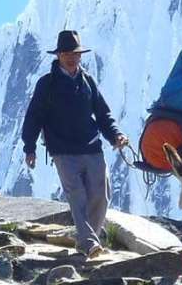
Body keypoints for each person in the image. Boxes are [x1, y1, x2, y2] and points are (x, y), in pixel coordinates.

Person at [21, 30, 129, 258]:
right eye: (66, 53)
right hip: (62, 151)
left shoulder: (88, 81)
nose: (71, 58)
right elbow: (34, 117)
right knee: (77, 196)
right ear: (58, 55)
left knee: (101, 195)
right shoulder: (47, 84)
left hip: (92, 147)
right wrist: (29, 147)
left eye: (75, 53)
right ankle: (90, 243)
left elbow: (103, 114)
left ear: (80, 56)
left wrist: (116, 135)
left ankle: (85, 241)